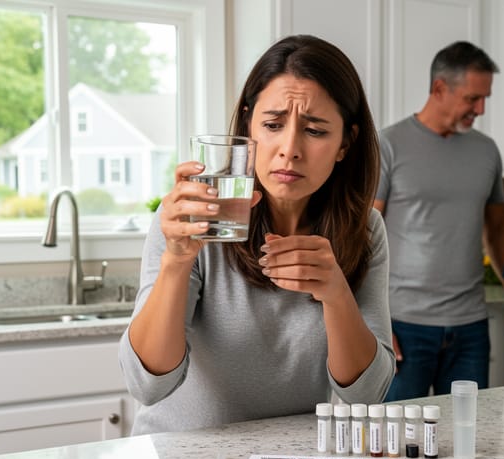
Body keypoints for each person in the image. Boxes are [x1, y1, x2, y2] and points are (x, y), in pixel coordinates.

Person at [118, 35, 395, 434]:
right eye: (272, 125)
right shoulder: (196, 218)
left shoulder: (365, 229)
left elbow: (368, 395)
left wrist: (336, 294)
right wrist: (176, 261)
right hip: (181, 458)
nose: (289, 148)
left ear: (345, 144)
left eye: (315, 131)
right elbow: (147, 386)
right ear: (249, 125)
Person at [374, 41, 504, 399]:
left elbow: (499, 230)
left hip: (470, 328)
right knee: (398, 431)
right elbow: (363, 235)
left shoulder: (486, 150)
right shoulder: (388, 145)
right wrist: (372, 321)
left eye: (485, 99)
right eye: (472, 98)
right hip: (403, 325)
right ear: (439, 88)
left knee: (471, 431)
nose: (480, 109)